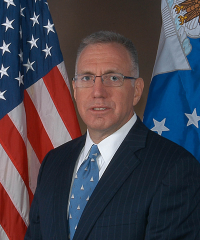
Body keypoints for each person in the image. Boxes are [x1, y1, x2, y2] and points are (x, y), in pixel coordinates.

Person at [25, 31, 200, 240]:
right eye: (87, 78)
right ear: (74, 89)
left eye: (113, 77)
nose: (98, 91)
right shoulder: (54, 163)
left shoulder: (174, 168)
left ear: (136, 90)